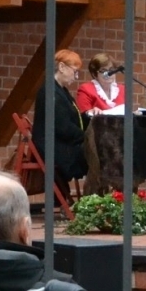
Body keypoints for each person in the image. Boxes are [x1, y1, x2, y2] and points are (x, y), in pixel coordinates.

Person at [33, 49, 88, 195]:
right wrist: (87, 137)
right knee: (97, 154)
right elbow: (63, 127)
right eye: (75, 72)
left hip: (61, 144)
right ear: (62, 67)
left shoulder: (60, 91)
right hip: (55, 148)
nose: (76, 77)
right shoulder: (50, 92)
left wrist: (89, 115)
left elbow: (73, 118)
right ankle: (94, 196)